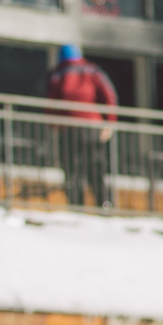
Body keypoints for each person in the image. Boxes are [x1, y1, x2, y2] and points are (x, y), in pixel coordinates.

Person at [46, 44, 117, 208]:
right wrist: (110, 122)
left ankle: (77, 206)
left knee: (72, 170)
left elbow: (51, 102)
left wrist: (53, 123)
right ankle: (105, 204)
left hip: (68, 127)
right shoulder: (92, 71)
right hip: (92, 126)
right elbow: (109, 96)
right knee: (96, 169)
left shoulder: (58, 74)